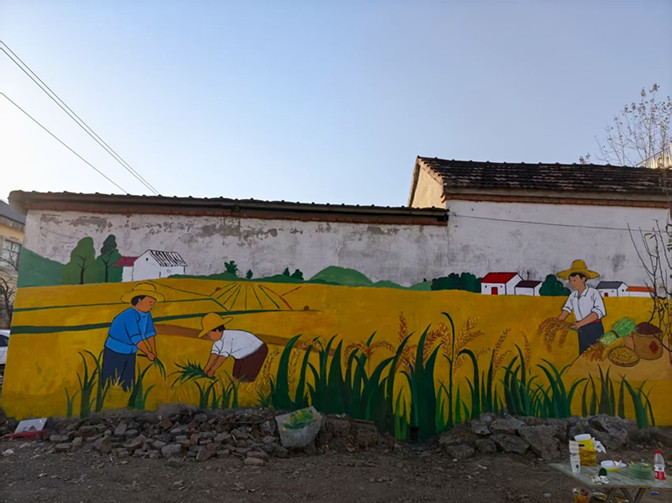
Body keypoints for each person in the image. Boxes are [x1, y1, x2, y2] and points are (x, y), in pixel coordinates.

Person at [101, 282, 163, 390]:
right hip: (115, 351)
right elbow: (136, 338)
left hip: (131, 351)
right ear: (139, 300)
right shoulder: (129, 315)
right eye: (150, 302)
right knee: (109, 381)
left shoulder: (147, 315)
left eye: (153, 303)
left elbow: (149, 333)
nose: (151, 306)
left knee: (128, 382)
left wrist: (154, 351)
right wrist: (148, 353)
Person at [556, 259, 606, 355]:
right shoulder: (573, 296)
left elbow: (597, 313)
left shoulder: (593, 293)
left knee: (596, 354)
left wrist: (579, 324)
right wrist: (558, 321)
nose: (572, 283)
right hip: (581, 329)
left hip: (594, 328)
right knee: (583, 354)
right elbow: (567, 309)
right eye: (570, 281)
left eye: (575, 280)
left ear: (583, 279)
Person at [199, 313, 268, 381]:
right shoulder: (217, 341)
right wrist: (207, 368)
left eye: (209, 334)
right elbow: (214, 354)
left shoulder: (228, 337)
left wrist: (213, 370)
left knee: (245, 378)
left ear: (217, 330)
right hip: (242, 355)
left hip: (257, 350)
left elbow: (223, 357)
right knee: (236, 376)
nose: (209, 337)